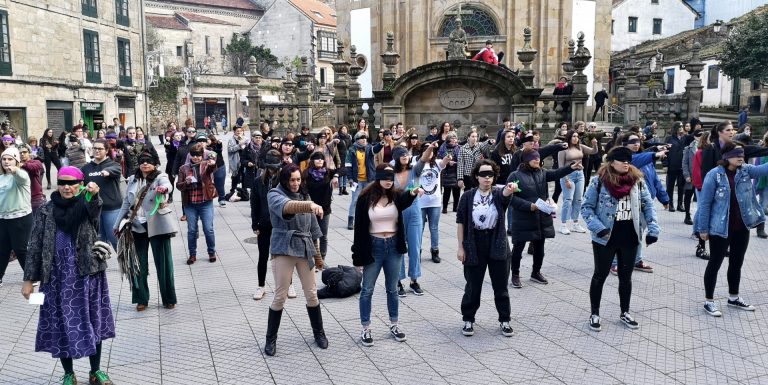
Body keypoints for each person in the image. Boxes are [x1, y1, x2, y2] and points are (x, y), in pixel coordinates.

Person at [22, 166, 115, 385]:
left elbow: (95, 209)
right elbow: (35, 246)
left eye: (71, 183)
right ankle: (68, 373)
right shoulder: (45, 210)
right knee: (60, 324)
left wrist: (94, 194)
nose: (66, 187)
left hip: (87, 273)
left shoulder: (87, 204)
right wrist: (28, 281)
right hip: (55, 277)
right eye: (62, 182)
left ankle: (96, 371)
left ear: (80, 184)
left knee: (94, 320)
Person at [581, 146, 660, 331]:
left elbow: (648, 205)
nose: (626, 163)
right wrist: (599, 229)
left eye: (628, 160)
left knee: (626, 277)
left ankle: (625, 312)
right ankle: (594, 313)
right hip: (605, 237)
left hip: (630, 235)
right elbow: (586, 208)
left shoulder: (637, 181)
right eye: (621, 160)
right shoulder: (599, 181)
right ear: (611, 162)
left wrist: (653, 229)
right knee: (600, 275)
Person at [352, 164, 423, 347]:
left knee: (392, 288)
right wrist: (357, 258)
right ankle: (366, 327)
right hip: (373, 247)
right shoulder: (365, 198)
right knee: (367, 289)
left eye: (391, 179)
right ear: (378, 178)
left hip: (393, 247)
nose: (388, 182)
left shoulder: (396, 195)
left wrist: (414, 192)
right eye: (385, 178)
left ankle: (394, 324)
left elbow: (406, 198)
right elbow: (359, 230)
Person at [696, 141, 768, 317]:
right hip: (719, 228)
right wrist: (702, 229)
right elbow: (704, 204)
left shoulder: (746, 170)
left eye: (742, 154)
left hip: (742, 227)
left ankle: (733, 297)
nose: (741, 157)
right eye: (737, 154)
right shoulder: (715, 175)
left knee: (737, 263)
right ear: (727, 156)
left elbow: (763, 169)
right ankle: (709, 301)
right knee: (715, 263)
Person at [264, 163, 327, 356]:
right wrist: (310, 206)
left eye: (298, 179)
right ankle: (270, 339)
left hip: (304, 248)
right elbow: (287, 207)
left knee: (312, 293)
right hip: (283, 247)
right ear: (284, 180)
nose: (295, 183)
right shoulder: (275, 194)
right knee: (280, 295)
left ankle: (319, 333)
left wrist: (318, 258)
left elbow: (314, 230)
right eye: (292, 180)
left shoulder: (305, 196)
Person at [456, 159, 518, 336]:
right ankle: (468, 319)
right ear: (476, 176)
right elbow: (460, 223)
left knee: (500, 286)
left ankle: (504, 320)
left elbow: (506, 195)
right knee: (473, 285)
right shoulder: (467, 196)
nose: (487, 178)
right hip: (474, 242)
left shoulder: (497, 194)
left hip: (497, 242)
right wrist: (460, 247)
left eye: (490, 175)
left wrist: (510, 188)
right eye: (483, 174)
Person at [508, 148, 584, 287]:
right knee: (518, 248)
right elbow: (510, 198)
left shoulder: (542, 173)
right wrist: (528, 206)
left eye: (538, 157)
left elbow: (556, 174)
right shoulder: (515, 176)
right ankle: (515, 274)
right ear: (525, 159)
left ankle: (536, 272)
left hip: (540, 217)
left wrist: (570, 168)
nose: (537, 159)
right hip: (523, 218)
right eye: (533, 157)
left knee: (539, 248)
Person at [115, 151, 178, 311]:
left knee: (164, 264)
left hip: (158, 224)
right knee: (137, 264)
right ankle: (141, 298)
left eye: (149, 161)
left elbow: (167, 185)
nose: (145, 164)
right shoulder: (132, 179)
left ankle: (169, 298)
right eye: (142, 161)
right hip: (136, 226)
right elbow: (125, 203)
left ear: (155, 163)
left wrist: (163, 189)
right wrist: (117, 224)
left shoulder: (159, 177)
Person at [176, 143, 219, 265]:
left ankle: (211, 252)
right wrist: (186, 182)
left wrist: (213, 163)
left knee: (208, 229)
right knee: (192, 230)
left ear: (202, 156)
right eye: (193, 155)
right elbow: (178, 186)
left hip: (205, 201)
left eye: (198, 155)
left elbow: (212, 168)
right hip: (190, 204)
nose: (196, 158)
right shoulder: (183, 168)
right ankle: (192, 254)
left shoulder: (206, 165)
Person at [391, 146, 424, 296]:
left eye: (407, 154)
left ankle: (414, 280)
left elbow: (424, 159)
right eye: (402, 154)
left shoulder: (415, 170)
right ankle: (398, 280)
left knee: (415, 246)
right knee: (399, 247)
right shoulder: (391, 172)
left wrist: (430, 147)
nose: (405, 156)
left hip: (414, 210)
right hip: (397, 211)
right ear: (396, 157)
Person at [251, 150, 282, 301]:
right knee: (263, 256)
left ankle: (287, 284)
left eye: (275, 168)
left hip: (281, 224)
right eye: (270, 168)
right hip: (264, 223)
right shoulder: (258, 181)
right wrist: (254, 223)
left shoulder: (284, 179)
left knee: (283, 256)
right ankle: (261, 285)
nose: (272, 171)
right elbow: (254, 203)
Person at [0, 147, 33, 287]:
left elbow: (22, 176)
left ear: (16, 161)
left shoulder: (21, 176)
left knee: (20, 248)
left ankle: (31, 276)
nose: (6, 162)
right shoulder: (1, 178)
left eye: (10, 159)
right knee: (2, 249)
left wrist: (15, 170)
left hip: (20, 217)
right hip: (3, 218)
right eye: (4, 159)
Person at [82, 139, 123, 248]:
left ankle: (127, 265)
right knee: (98, 245)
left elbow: (115, 170)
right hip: (95, 211)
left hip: (112, 209)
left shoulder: (114, 165)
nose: (97, 151)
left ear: (106, 150)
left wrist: (107, 172)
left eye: (100, 149)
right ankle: (100, 265)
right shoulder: (86, 168)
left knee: (116, 241)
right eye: (94, 148)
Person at [416, 142, 451, 263]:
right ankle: (417, 251)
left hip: (435, 202)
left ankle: (435, 251)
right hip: (420, 202)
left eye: (431, 151)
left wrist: (448, 157)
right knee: (419, 228)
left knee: (434, 227)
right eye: (426, 150)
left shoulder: (437, 163)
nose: (429, 153)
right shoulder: (417, 164)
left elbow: (444, 162)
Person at [558, 130, 598, 234]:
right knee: (568, 199)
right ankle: (563, 224)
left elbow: (593, 151)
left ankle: (575, 223)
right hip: (568, 175)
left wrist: (595, 144)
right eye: (573, 136)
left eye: (577, 136)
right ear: (569, 138)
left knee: (578, 200)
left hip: (580, 175)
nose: (576, 138)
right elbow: (561, 166)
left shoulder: (581, 147)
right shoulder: (563, 149)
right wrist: (566, 179)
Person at [304, 151, 339, 263]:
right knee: (311, 235)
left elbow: (343, 169)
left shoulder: (328, 172)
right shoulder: (306, 173)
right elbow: (303, 189)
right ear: (312, 161)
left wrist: (336, 176)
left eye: (321, 158)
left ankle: (322, 259)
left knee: (323, 236)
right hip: (310, 209)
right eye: (317, 158)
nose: (320, 160)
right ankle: (312, 259)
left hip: (325, 209)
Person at [344, 131, 384, 230]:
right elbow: (348, 166)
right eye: (362, 138)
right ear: (357, 140)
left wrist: (381, 144)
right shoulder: (352, 150)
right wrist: (350, 179)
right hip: (356, 180)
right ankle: (351, 220)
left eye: (366, 138)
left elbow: (375, 150)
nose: (364, 139)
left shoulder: (369, 148)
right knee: (355, 200)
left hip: (368, 179)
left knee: (370, 200)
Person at [690, 131, 712, 258]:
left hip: (708, 185)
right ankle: (697, 231)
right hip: (702, 186)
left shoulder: (712, 152)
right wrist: (700, 185)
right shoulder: (700, 152)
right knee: (702, 210)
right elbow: (697, 171)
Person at [664, 122, 691, 212]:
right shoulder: (669, 138)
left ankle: (680, 204)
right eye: (679, 127)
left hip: (682, 166)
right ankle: (670, 203)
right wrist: (665, 164)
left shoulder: (686, 138)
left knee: (681, 186)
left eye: (681, 126)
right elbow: (665, 152)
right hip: (672, 165)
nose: (681, 128)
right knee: (670, 186)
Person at [19, 144, 46, 216]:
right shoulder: (16, 165)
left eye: (24, 152)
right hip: (22, 199)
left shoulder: (36, 162)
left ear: (29, 153)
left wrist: (22, 165)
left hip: (35, 198)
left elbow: (34, 168)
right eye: (20, 152)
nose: (22, 154)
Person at [438, 132, 461, 213]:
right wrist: (448, 163)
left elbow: (461, 159)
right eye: (452, 138)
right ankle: (444, 207)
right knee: (447, 191)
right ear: (448, 140)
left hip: (456, 171)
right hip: (447, 171)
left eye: (455, 138)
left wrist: (455, 163)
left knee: (456, 191)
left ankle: (455, 207)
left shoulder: (458, 147)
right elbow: (440, 158)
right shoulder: (443, 147)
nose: (454, 140)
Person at [163, 131, 184, 203]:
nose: (178, 137)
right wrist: (167, 142)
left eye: (179, 136)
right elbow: (167, 146)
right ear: (173, 137)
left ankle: (184, 197)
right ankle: (170, 197)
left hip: (181, 165)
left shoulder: (183, 144)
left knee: (182, 182)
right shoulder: (170, 144)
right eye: (176, 136)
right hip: (172, 165)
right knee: (171, 181)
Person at [227, 125, 248, 194]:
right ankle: (233, 190)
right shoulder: (231, 140)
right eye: (237, 131)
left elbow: (249, 149)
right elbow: (230, 149)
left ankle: (244, 190)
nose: (239, 132)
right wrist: (239, 146)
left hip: (244, 159)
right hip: (235, 160)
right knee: (235, 175)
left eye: (240, 131)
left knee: (244, 175)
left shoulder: (246, 139)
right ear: (234, 132)